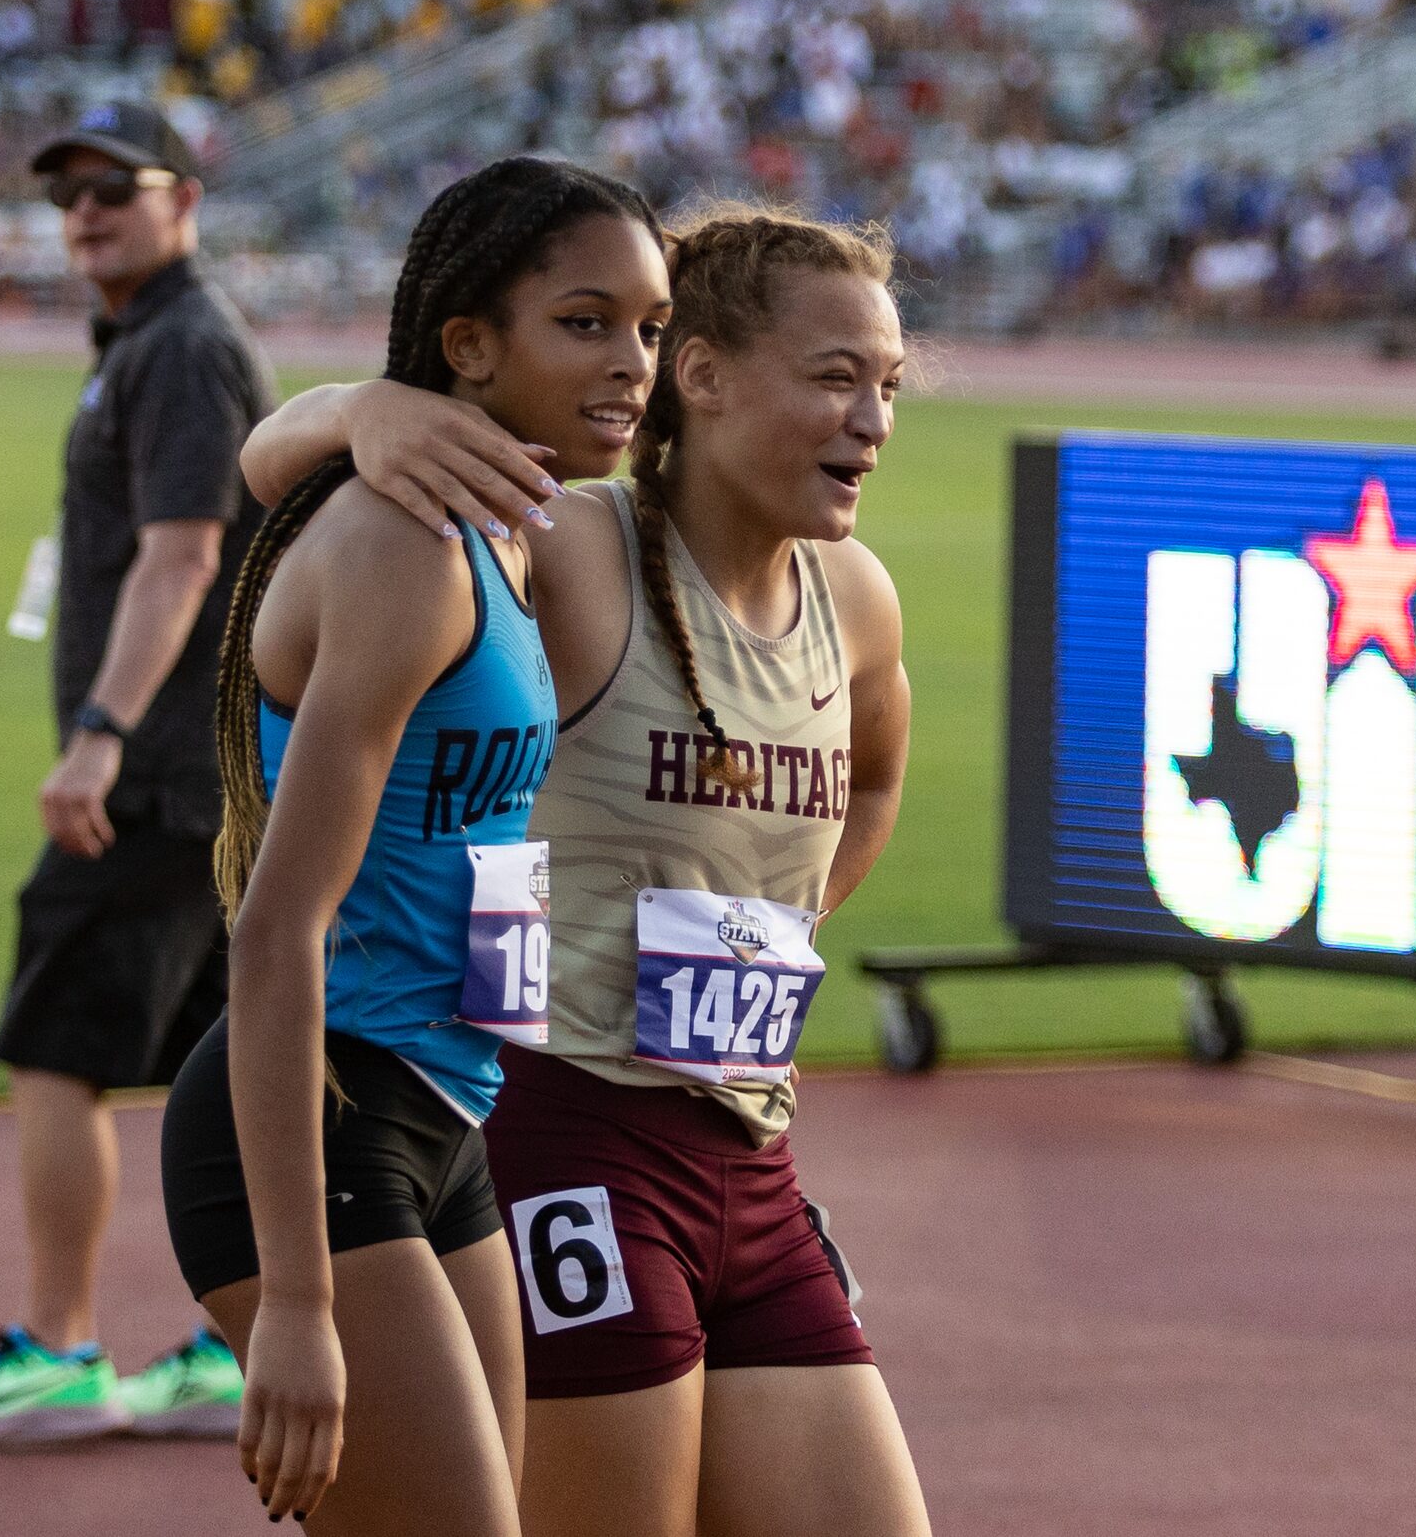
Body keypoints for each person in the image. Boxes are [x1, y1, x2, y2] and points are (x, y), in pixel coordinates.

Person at [240, 205, 931, 1537]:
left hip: (748, 1150)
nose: (873, 420)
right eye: (836, 377)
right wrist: (360, 411)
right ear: (705, 374)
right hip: (560, 1135)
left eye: (888, 385)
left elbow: (882, 771)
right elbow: (275, 475)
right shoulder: (565, 545)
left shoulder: (854, 600)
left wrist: (777, 920)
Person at [158, 156, 672, 1531]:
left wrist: (348, 409)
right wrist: (301, 1301)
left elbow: (266, 456)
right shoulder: (407, 549)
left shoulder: (513, 525)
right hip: (324, 1115)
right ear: (468, 344)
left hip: (443, 1111)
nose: (631, 361)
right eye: (586, 321)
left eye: (651, 327)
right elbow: (276, 928)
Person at [0, 101, 270, 1444]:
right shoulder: (151, 342)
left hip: (161, 771)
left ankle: (59, 1345)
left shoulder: (179, 350)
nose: (87, 211)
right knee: (225, 1059)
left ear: (186, 200)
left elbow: (184, 552)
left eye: (117, 187)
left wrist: (100, 730)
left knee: (57, 1042)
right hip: (204, 769)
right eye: (67, 195)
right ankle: (242, 1342)